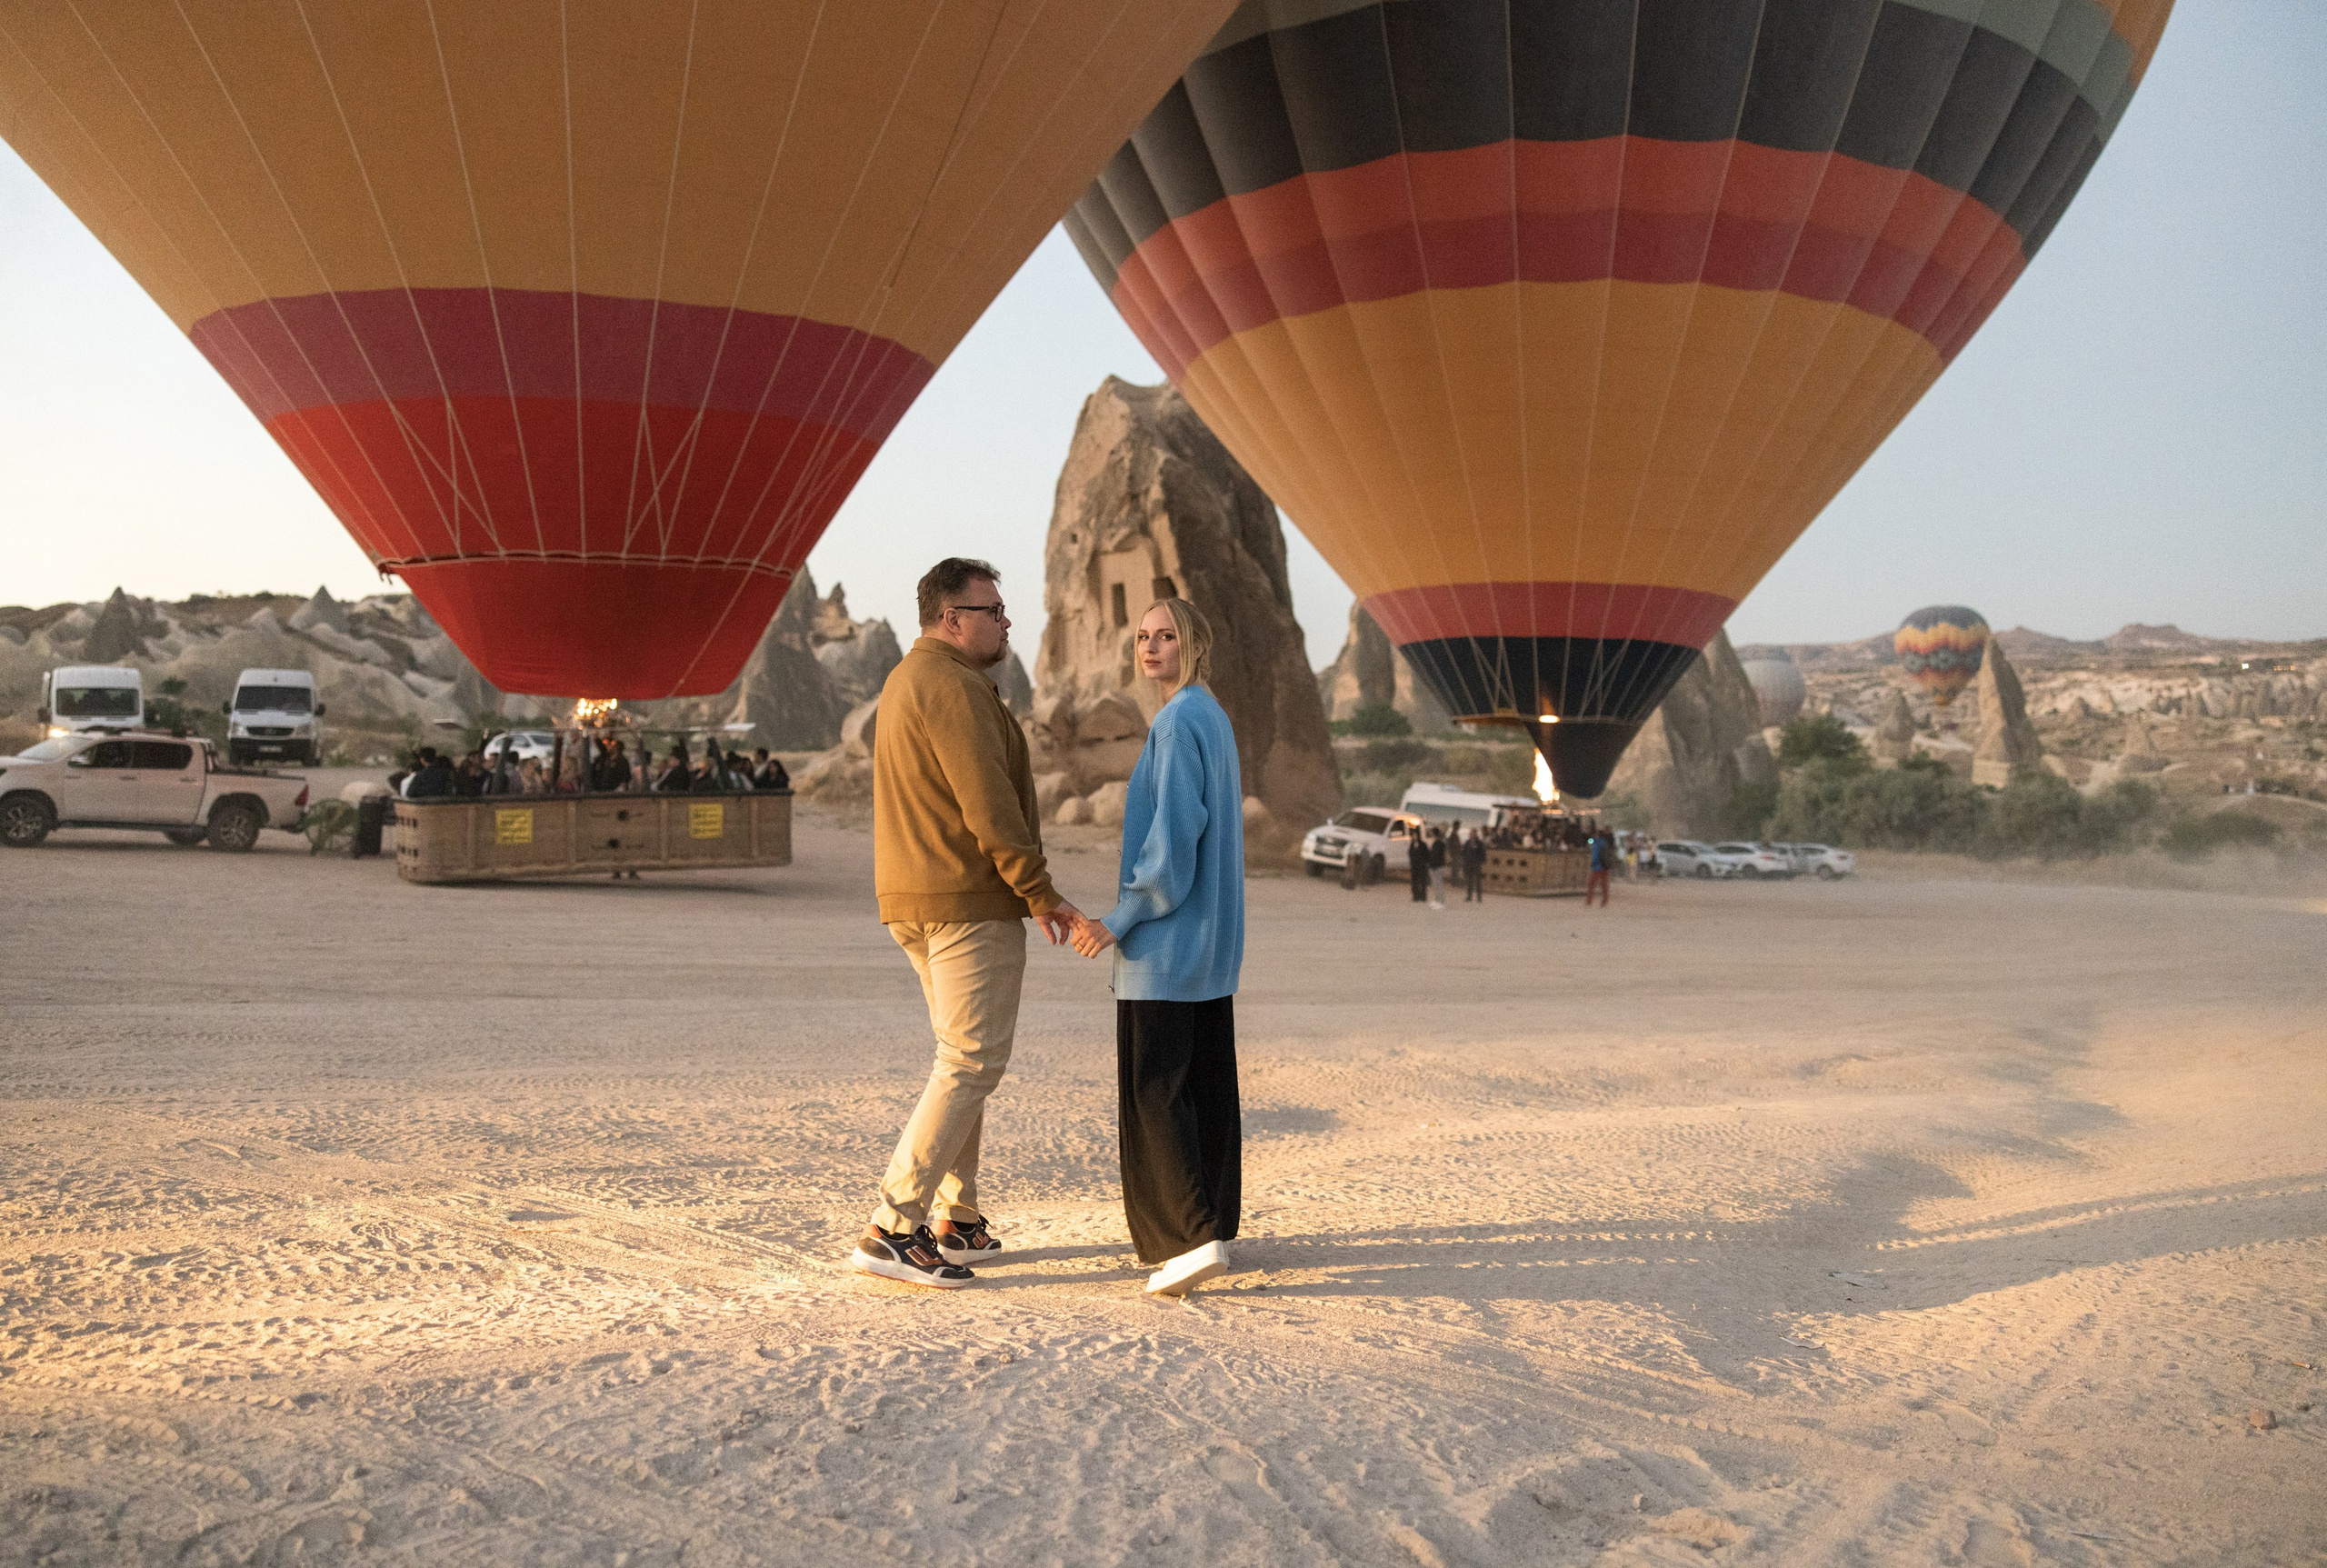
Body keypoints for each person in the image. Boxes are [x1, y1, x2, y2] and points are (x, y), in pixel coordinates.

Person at [852, 558, 1083, 1291]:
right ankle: (893, 1225)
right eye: (993, 610)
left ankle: (959, 1214)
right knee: (971, 1061)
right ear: (952, 618)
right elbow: (988, 803)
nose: (1006, 621)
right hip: (964, 901)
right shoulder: (952, 686)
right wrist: (1039, 892)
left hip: (916, 898)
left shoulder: (907, 679)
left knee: (961, 1058)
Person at [1069, 598, 1244, 1298]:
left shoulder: (1175, 723)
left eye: (1166, 636)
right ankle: (1214, 1224)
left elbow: (1171, 847)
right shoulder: (1213, 716)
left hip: (1165, 951)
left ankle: (1191, 1238)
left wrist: (1120, 918)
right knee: (1205, 1089)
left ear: (1193, 643)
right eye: (1143, 636)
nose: (1151, 647)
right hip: (1211, 950)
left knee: (1156, 1091)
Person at [1585, 825, 1611, 907]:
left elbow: (1595, 855)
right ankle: (1604, 901)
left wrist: (1593, 863)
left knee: (1591, 884)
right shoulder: (1605, 843)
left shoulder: (1596, 843)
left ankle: (1589, 901)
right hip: (1605, 867)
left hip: (1597, 867)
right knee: (1604, 885)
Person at [1461, 825, 1487, 902]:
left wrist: (1480, 862)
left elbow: (1483, 853)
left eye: (1472, 833)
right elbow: (1464, 852)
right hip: (1469, 864)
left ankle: (1479, 897)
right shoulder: (1467, 843)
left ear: (1475, 834)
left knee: (1478, 881)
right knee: (1469, 881)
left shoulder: (1479, 843)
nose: (1471, 835)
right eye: (1470, 834)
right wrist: (1465, 861)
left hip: (1476, 864)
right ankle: (1469, 896)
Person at [1426, 825, 1449, 909]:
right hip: (1433, 866)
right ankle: (1436, 900)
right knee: (1435, 885)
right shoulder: (1435, 843)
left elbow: (1437, 856)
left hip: (1438, 867)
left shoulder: (1440, 843)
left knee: (1439, 885)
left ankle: (1441, 902)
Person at [1406, 825, 1430, 904]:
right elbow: (1410, 854)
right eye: (1413, 835)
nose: (1414, 836)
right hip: (1414, 866)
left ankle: (1423, 896)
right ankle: (1415, 896)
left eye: (1415, 835)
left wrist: (1423, 863)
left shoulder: (1423, 844)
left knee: (1422, 882)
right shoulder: (1412, 844)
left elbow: (1426, 855)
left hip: (1422, 866)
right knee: (1415, 882)